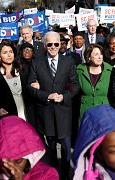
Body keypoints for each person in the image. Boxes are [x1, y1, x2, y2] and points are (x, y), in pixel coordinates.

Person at [27, 31, 79, 178]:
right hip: (46, 112)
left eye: (56, 44)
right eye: (50, 44)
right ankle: (54, 174)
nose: (53, 47)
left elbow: (75, 86)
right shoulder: (37, 62)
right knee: (50, 148)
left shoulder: (68, 61)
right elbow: (30, 86)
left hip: (64, 112)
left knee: (66, 149)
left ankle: (66, 175)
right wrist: (46, 95)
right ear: (45, 45)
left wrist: (63, 96)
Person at [0, 115, 59, 180]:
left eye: (18, 161)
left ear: (29, 157)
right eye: (6, 164)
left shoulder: (47, 175)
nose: (12, 169)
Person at [0, 39, 37, 127]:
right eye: (5, 52)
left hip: (29, 115)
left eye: (11, 52)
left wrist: (36, 84)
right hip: (10, 118)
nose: (9, 55)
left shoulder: (23, 70)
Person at [76, 44, 113, 123]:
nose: (100, 57)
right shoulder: (79, 70)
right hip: (86, 111)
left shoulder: (110, 70)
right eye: (96, 54)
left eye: (101, 54)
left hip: (104, 112)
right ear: (89, 57)